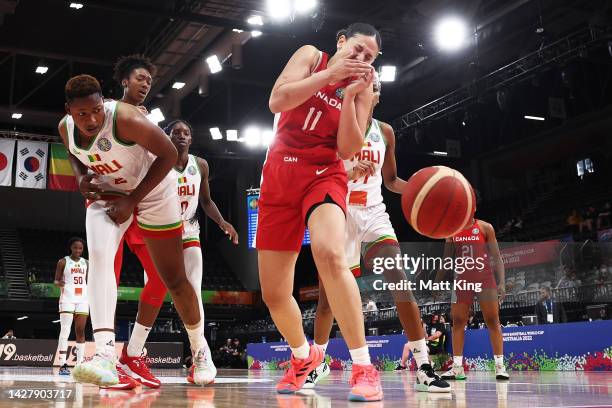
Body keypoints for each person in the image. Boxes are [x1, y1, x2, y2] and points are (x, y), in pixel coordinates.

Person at [256, 22, 384, 401]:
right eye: (358, 49)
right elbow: (277, 101)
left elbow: (346, 150)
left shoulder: (363, 91)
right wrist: (330, 76)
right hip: (279, 174)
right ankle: (304, 357)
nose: (361, 58)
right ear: (341, 41)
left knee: (329, 254)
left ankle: (363, 366)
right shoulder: (312, 56)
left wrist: (351, 97)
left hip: (323, 174)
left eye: (370, 57)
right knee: (275, 294)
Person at [59, 74, 211, 386]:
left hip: (152, 191)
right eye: (82, 114)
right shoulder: (65, 128)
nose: (90, 120)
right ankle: (104, 355)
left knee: (173, 278)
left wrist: (133, 200)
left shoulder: (124, 118)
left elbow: (168, 155)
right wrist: (79, 178)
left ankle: (199, 350)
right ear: (69, 111)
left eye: (96, 110)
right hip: (108, 192)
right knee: (99, 256)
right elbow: (74, 154)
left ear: (104, 103)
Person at [306, 74, 449, 392]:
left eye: (368, 87)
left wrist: (424, 188)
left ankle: (424, 365)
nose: (360, 91)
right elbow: (319, 172)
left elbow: (392, 180)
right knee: (327, 302)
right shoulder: (335, 127)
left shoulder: (385, 132)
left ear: (377, 95)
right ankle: (318, 362)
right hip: (338, 213)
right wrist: (346, 171)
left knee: (400, 282)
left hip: (373, 215)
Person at [121, 119, 239, 385]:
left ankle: (200, 354)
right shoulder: (155, 162)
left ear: (192, 138)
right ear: (166, 136)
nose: (181, 136)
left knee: (192, 293)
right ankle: (137, 353)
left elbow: (206, 201)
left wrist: (223, 222)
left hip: (188, 231)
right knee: (155, 290)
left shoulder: (201, 165)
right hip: (158, 233)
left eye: (186, 133)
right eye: (176, 133)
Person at [439, 214, 510, 381]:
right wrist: (437, 279)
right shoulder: (450, 231)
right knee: (457, 321)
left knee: (492, 319)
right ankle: (457, 368)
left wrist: (501, 283)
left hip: (485, 277)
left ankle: (500, 367)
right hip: (461, 278)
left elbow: (497, 257)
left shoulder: (486, 227)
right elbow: (446, 259)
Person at [54, 237, 89, 376]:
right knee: (65, 330)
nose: (78, 250)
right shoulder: (63, 261)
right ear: (71, 248)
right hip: (67, 298)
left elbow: (88, 281)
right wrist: (60, 283)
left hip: (83, 299)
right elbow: (56, 280)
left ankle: (79, 365)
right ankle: (63, 364)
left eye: (80, 248)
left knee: (80, 331)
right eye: (75, 247)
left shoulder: (86, 263)